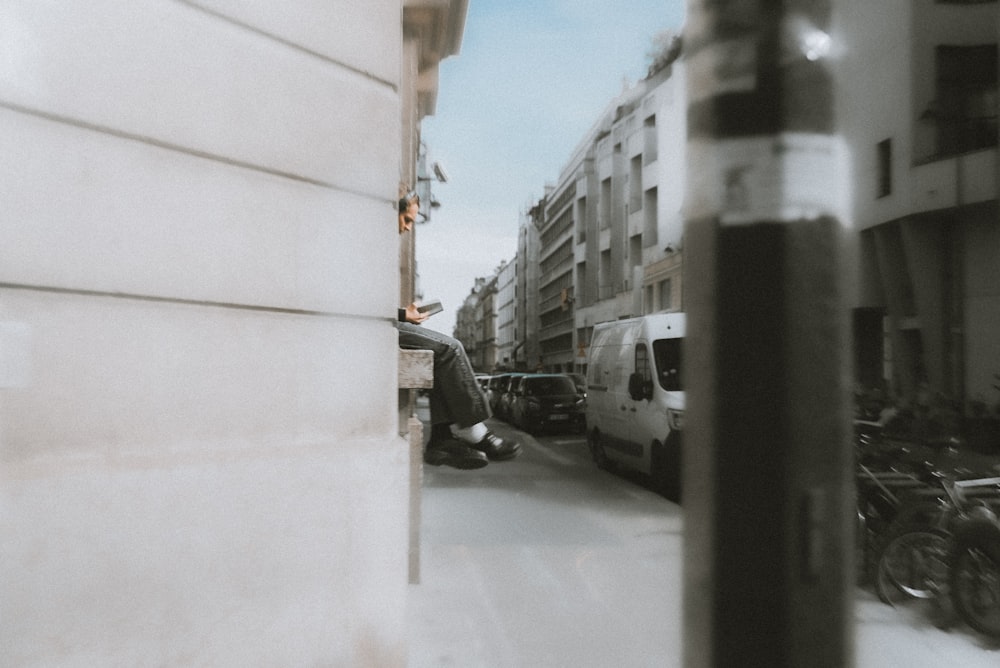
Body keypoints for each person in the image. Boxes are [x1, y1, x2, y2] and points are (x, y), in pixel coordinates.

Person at [397, 191, 521, 469]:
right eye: (406, 219)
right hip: (376, 324)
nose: (407, 227)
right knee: (451, 348)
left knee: (443, 352)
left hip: (384, 320)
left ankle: (440, 438)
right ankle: (472, 432)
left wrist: (405, 313)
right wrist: (401, 315)